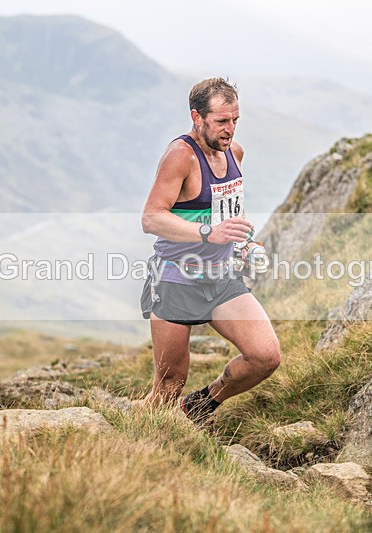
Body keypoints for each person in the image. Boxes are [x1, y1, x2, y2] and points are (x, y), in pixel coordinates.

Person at [139, 77, 280, 425]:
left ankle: (199, 407)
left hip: (220, 277)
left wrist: (244, 242)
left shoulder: (234, 153)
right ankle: (130, 433)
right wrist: (207, 233)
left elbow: (229, 211)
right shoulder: (180, 156)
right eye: (221, 121)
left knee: (265, 356)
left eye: (235, 120)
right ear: (196, 117)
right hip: (175, 280)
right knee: (169, 384)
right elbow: (151, 218)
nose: (229, 129)